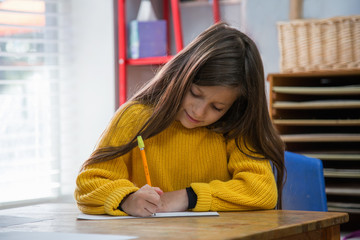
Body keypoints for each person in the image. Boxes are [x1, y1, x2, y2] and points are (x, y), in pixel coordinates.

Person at [75, 22, 285, 217]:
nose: (199, 112)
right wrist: (126, 199)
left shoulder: (233, 126)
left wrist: (188, 197)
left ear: (233, 106)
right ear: (180, 75)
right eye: (195, 93)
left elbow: (262, 190)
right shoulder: (135, 117)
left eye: (217, 107)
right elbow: (89, 183)